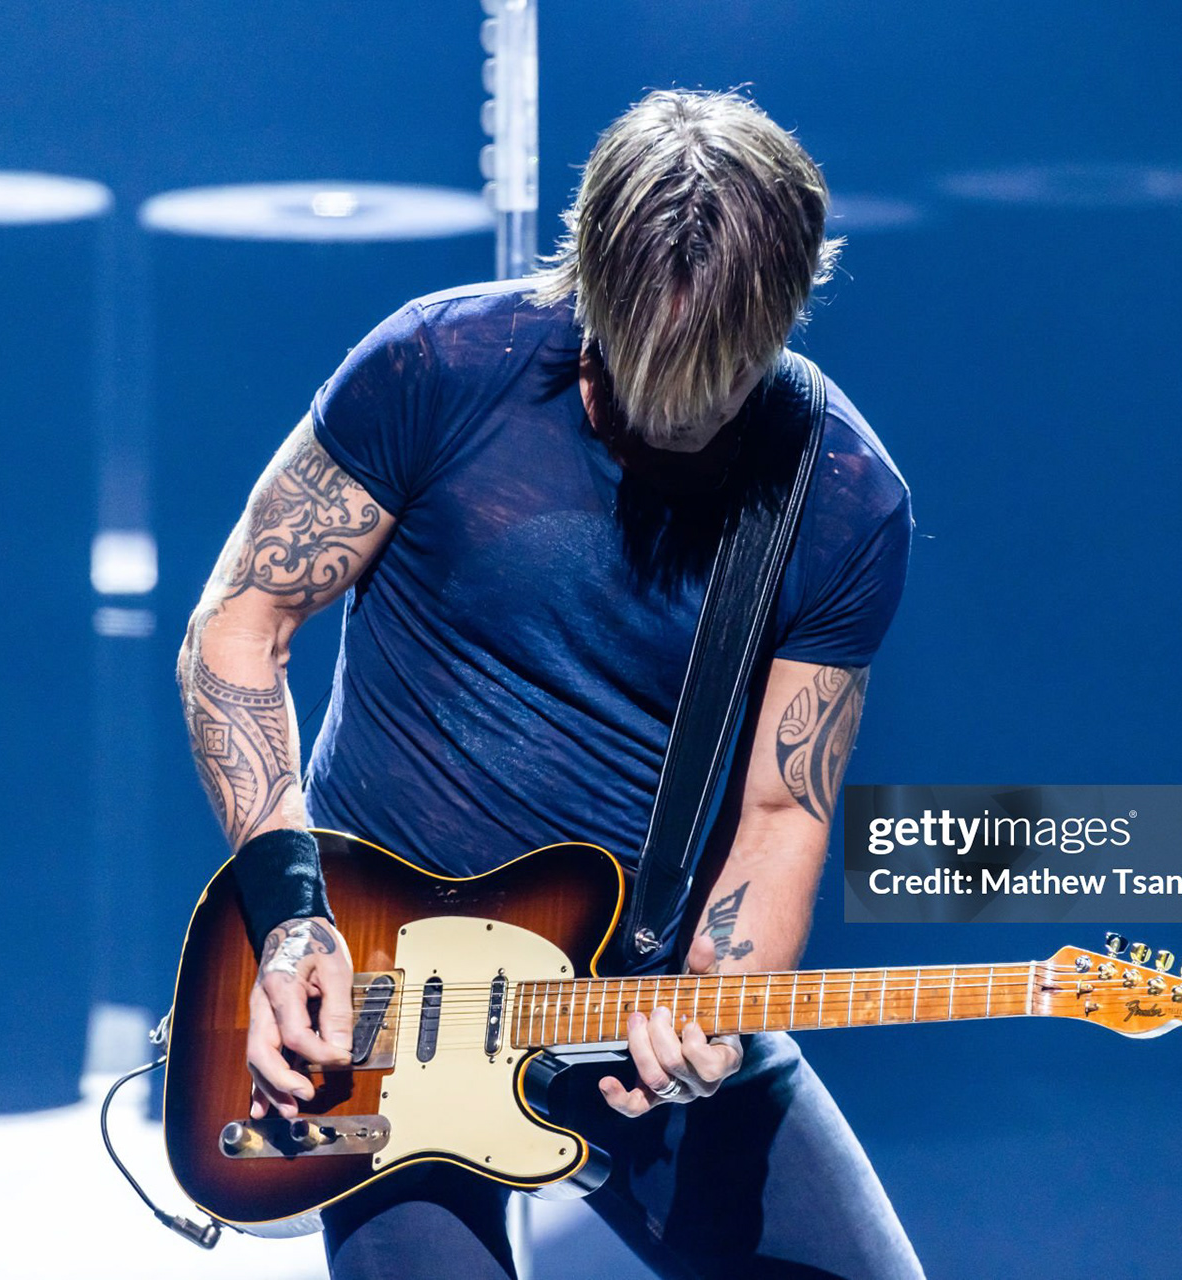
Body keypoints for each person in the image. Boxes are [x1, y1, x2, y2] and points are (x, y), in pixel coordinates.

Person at [176, 88, 920, 1279]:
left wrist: (717, 1007)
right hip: (383, 998)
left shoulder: (841, 497)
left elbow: (785, 807)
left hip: (633, 999)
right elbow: (239, 626)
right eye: (645, 365)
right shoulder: (437, 365)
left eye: (718, 378)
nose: (675, 416)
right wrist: (289, 913)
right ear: (590, 286)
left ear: (786, 309)